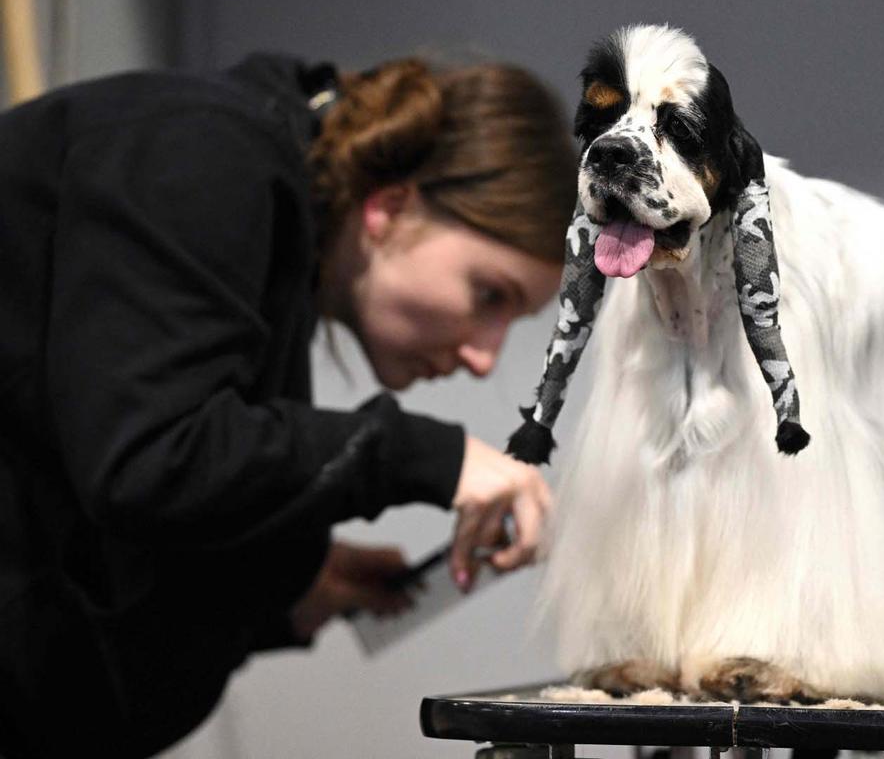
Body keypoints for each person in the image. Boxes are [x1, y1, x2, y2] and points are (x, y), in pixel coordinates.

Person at [0, 52, 577, 757]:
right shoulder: (200, 154)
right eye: (489, 295)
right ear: (390, 208)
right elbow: (151, 456)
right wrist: (426, 456)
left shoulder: (262, 227)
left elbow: (114, 494)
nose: (483, 354)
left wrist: (288, 584)